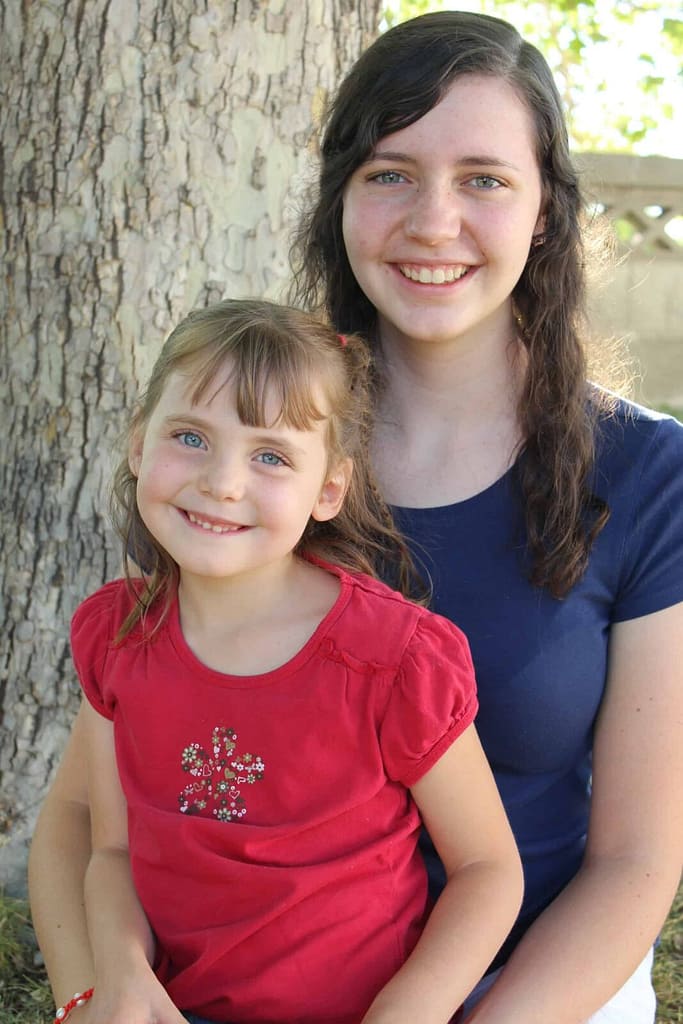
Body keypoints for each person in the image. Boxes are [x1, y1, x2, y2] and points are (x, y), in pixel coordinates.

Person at [29, 10, 683, 1024]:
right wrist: (90, 992)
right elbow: (87, 810)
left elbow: (636, 861)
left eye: (482, 179)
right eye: (388, 172)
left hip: (529, 991)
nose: (431, 220)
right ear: (338, 193)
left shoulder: (649, 474)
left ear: (545, 209)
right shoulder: (255, 455)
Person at [55, 297, 523, 1024]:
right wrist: (115, 981)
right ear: (139, 443)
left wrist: (407, 1012)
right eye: (191, 437)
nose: (224, 483)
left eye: (270, 455)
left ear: (328, 488)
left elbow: (487, 871)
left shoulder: (392, 660)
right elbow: (110, 849)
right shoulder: (120, 635)